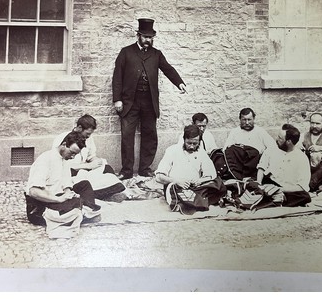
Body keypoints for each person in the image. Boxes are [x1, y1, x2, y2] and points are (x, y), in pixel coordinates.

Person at [112, 18, 187, 180]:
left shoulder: (156, 54)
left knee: (150, 134)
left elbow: (168, 69)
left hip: (149, 101)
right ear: (138, 35)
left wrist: (179, 83)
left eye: (151, 37)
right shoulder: (126, 52)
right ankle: (126, 171)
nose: (148, 40)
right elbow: (117, 77)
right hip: (129, 102)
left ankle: (145, 168)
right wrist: (117, 99)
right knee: (127, 136)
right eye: (145, 37)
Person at [24, 131, 102, 239]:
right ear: (64, 145)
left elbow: (66, 184)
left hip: (58, 196)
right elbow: (34, 192)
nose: (73, 157)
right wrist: (59, 199)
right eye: (72, 153)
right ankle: (80, 211)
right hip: (40, 205)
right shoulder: (45, 159)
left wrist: (68, 192)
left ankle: (79, 210)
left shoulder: (65, 159)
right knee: (78, 205)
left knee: (85, 185)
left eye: (76, 154)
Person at [156, 124, 226, 214]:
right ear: (184, 139)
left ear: (200, 142)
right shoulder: (172, 151)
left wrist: (200, 180)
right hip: (176, 187)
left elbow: (211, 174)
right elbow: (159, 177)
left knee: (219, 183)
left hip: (196, 187)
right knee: (180, 193)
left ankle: (195, 201)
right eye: (189, 143)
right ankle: (196, 202)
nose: (192, 146)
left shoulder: (201, 152)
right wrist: (177, 181)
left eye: (195, 143)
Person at [52, 114, 124, 199]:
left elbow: (91, 156)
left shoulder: (87, 138)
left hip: (85, 171)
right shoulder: (63, 138)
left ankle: (105, 190)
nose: (88, 136)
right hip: (71, 173)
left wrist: (97, 161)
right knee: (107, 183)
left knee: (107, 168)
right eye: (87, 133)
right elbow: (59, 165)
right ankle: (95, 193)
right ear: (79, 127)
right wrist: (87, 166)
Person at [256, 124, 311, 207]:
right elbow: (261, 168)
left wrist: (279, 190)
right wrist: (259, 184)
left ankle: (275, 200)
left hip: (288, 190)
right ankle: (275, 200)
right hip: (270, 184)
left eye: (280, 138)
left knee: (305, 197)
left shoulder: (302, 158)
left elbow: (302, 187)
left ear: (288, 142)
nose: (276, 139)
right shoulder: (271, 149)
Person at [218, 108, 276, 180]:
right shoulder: (234, 132)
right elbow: (226, 150)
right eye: (244, 120)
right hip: (239, 168)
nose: (247, 123)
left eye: (249, 119)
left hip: (257, 166)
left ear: (254, 119)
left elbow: (273, 146)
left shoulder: (260, 132)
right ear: (240, 119)